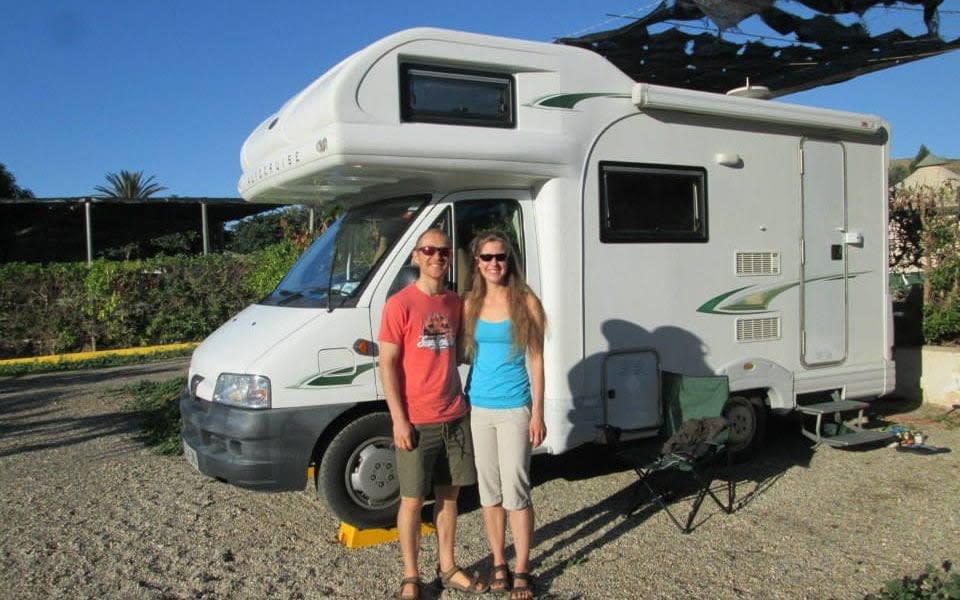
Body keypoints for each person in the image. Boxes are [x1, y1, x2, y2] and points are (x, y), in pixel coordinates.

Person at [378, 228, 487, 600]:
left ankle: (448, 566)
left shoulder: (454, 304)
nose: (437, 257)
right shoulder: (399, 304)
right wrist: (398, 418)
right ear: (416, 256)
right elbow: (387, 364)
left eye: (443, 251)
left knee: (449, 497)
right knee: (411, 501)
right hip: (416, 420)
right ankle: (411, 576)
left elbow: (457, 353)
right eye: (429, 250)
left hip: (454, 415)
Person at [461, 231, 546, 600]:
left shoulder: (526, 301)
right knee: (490, 492)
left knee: (517, 490)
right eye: (486, 258)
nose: (494, 263)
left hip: (515, 408)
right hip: (479, 407)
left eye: (500, 257)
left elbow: (538, 360)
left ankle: (523, 566)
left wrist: (537, 412)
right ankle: (500, 561)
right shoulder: (470, 304)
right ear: (476, 264)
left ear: (509, 260)